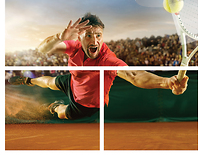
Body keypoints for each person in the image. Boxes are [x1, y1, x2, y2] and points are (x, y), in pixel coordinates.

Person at [8, 13, 188, 120]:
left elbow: (135, 75)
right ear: (79, 37)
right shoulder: (74, 46)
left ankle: (54, 106)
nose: (94, 41)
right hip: (73, 81)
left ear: (103, 35)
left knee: (61, 113)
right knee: (50, 82)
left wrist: (166, 83)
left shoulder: (108, 60)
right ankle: (29, 81)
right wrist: (59, 37)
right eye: (88, 36)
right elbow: (43, 49)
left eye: (98, 35)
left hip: (86, 104)